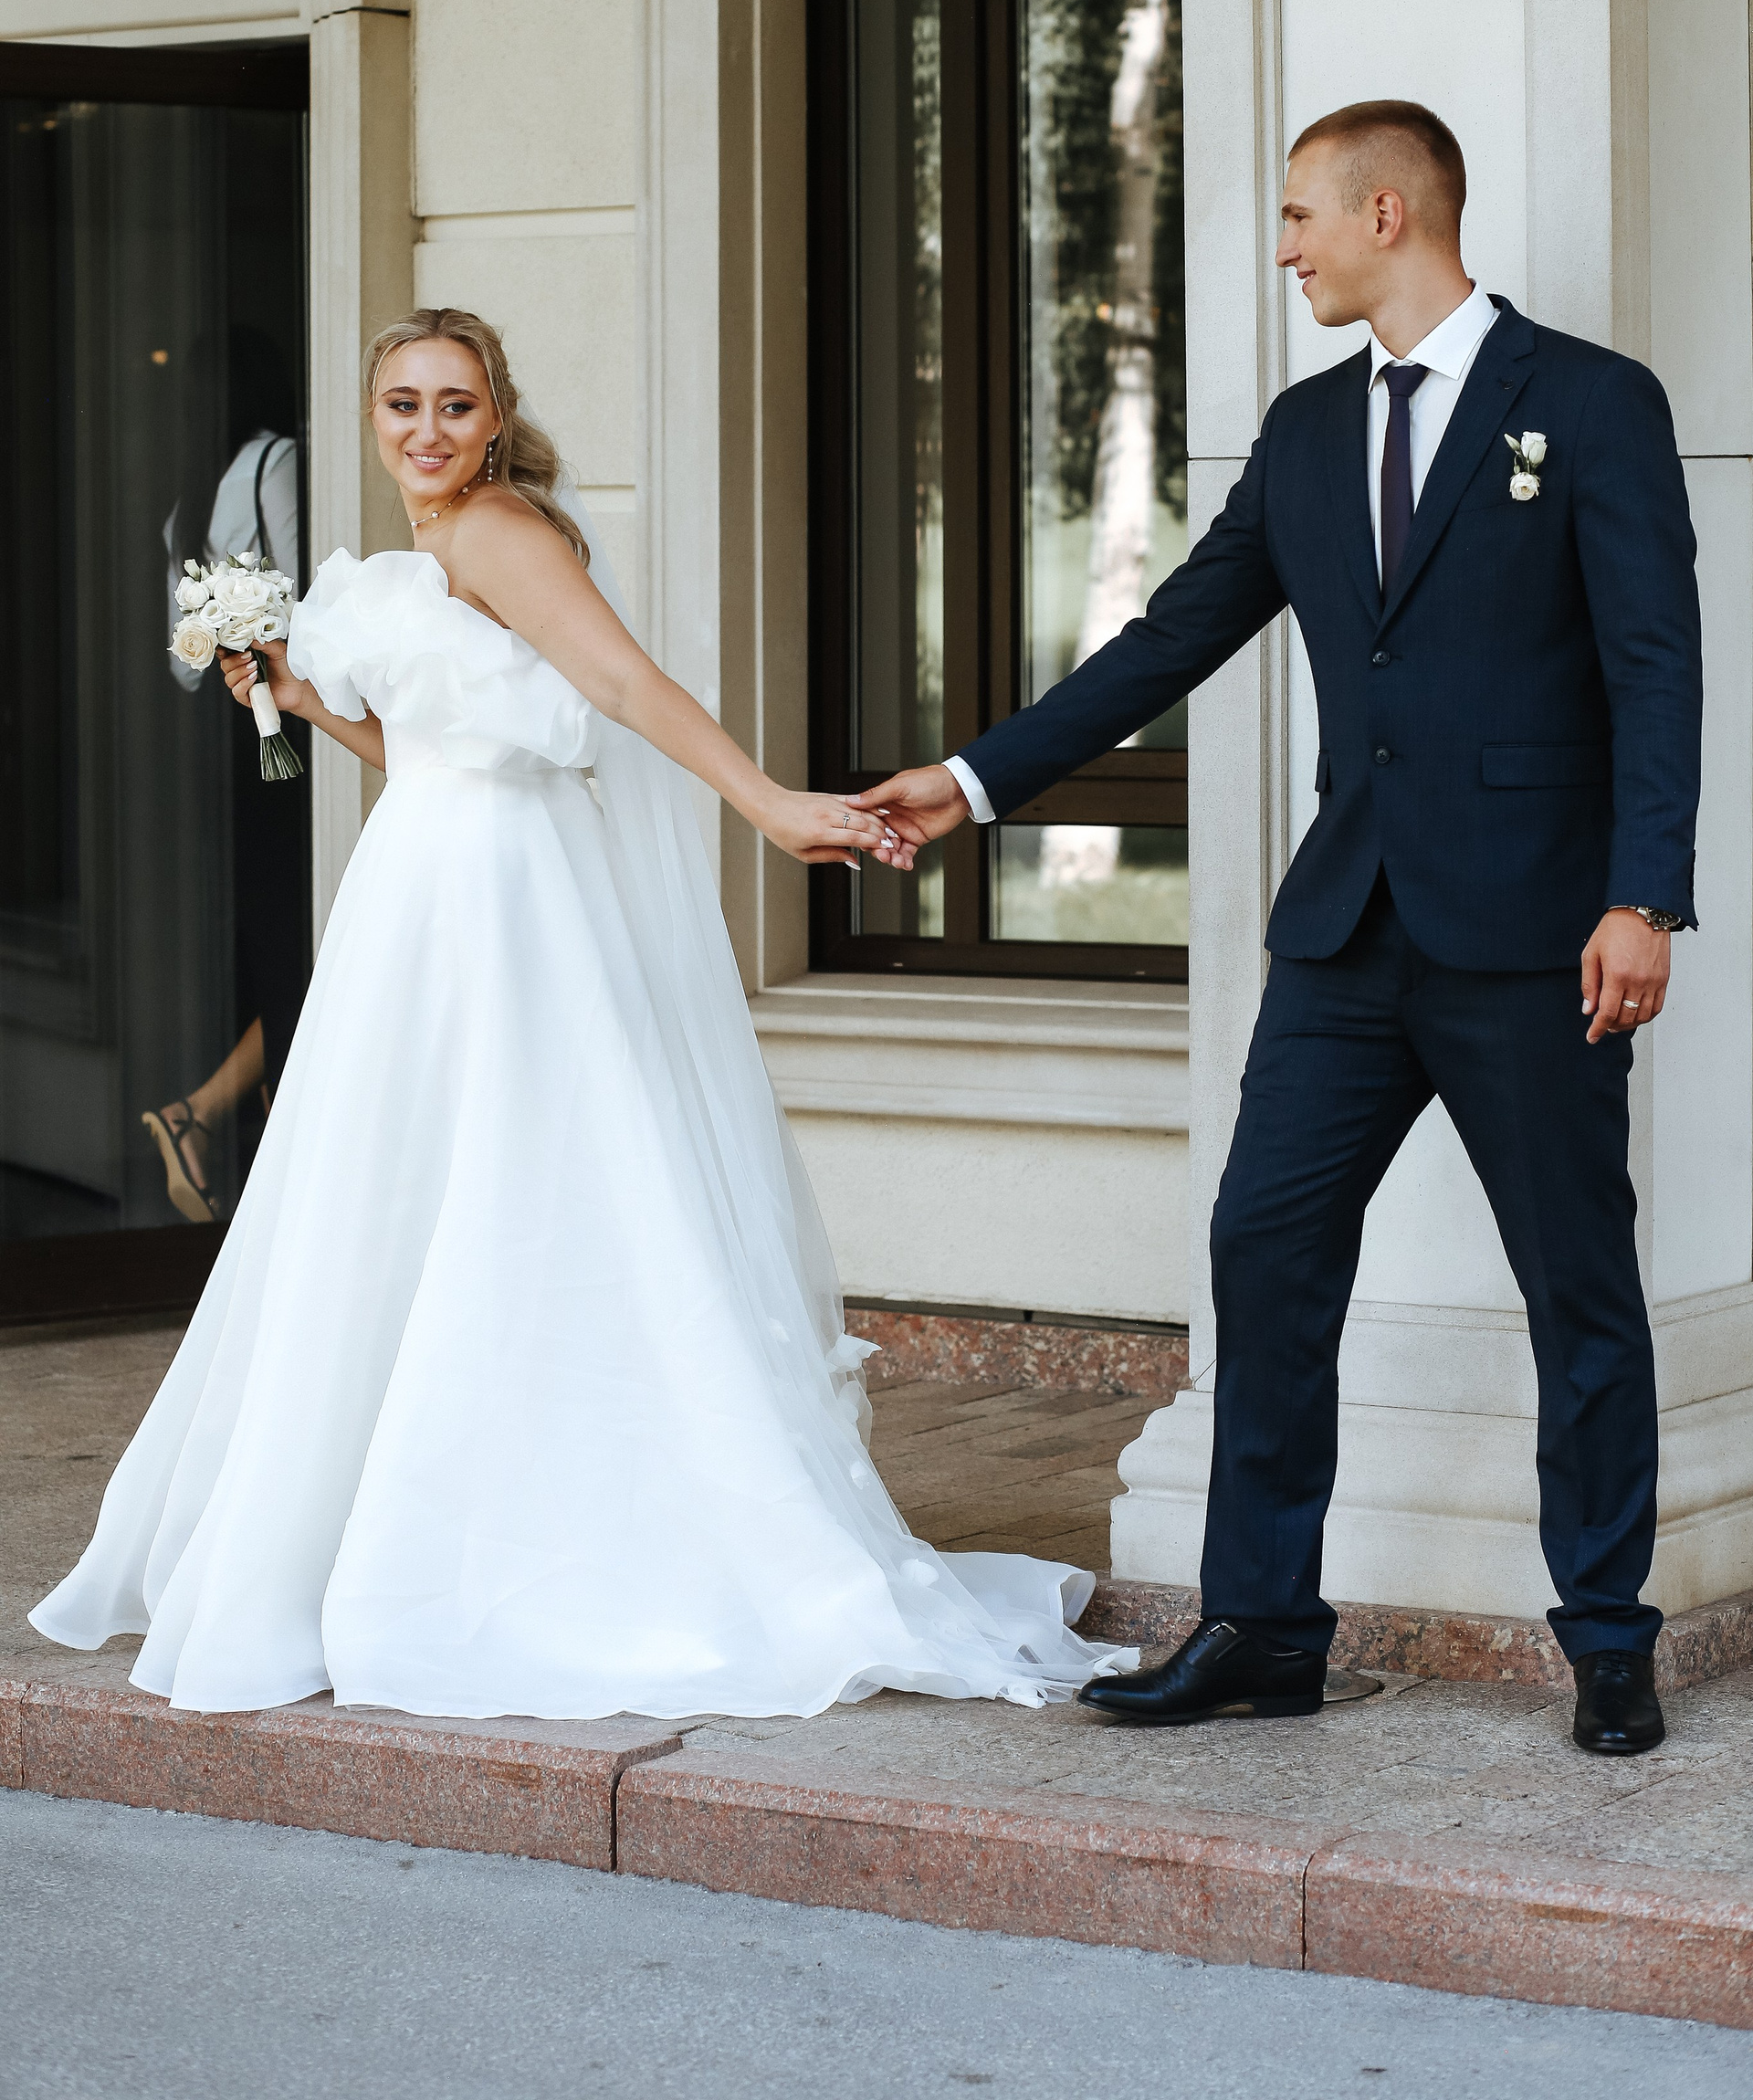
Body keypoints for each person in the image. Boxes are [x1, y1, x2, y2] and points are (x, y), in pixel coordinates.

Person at [30, 310, 1129, 1720]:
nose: (428, 430)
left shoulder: (499, 531)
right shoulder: (424, 548)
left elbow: (618, 685)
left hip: (506, 900)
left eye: (455, 403)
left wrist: (767, 805)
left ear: (496, 416)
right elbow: (432, 749)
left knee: (524, 1187)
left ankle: (535, 1537)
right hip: (417, 892)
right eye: (403, 404)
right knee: (403, 1198)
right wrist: (302, 696)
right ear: (371, 416)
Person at [853, 100, 1703, 1759]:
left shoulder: (1592, 402)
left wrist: (1643, 893)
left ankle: (1609, 1638)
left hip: (1537, 933)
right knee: (1264, 1249)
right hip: (1345, 935)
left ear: (1389, 213)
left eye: (1303, 215)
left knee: (1578, 1287)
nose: (1285, 247)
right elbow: (1167, 640)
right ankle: (1261, 1629)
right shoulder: (1308, 434)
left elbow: (1656, 665)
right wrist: (971, 781)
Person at [145, 330, 308, 1223]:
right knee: (296, 944)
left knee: (280, 942)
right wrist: (263, 634)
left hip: (229, 747)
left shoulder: (185, 502)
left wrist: (219, 635)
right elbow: (306, 600)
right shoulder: (273, 461)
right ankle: (273, 1160)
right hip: (289, 732)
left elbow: (182, 665)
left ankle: (204, 1116)